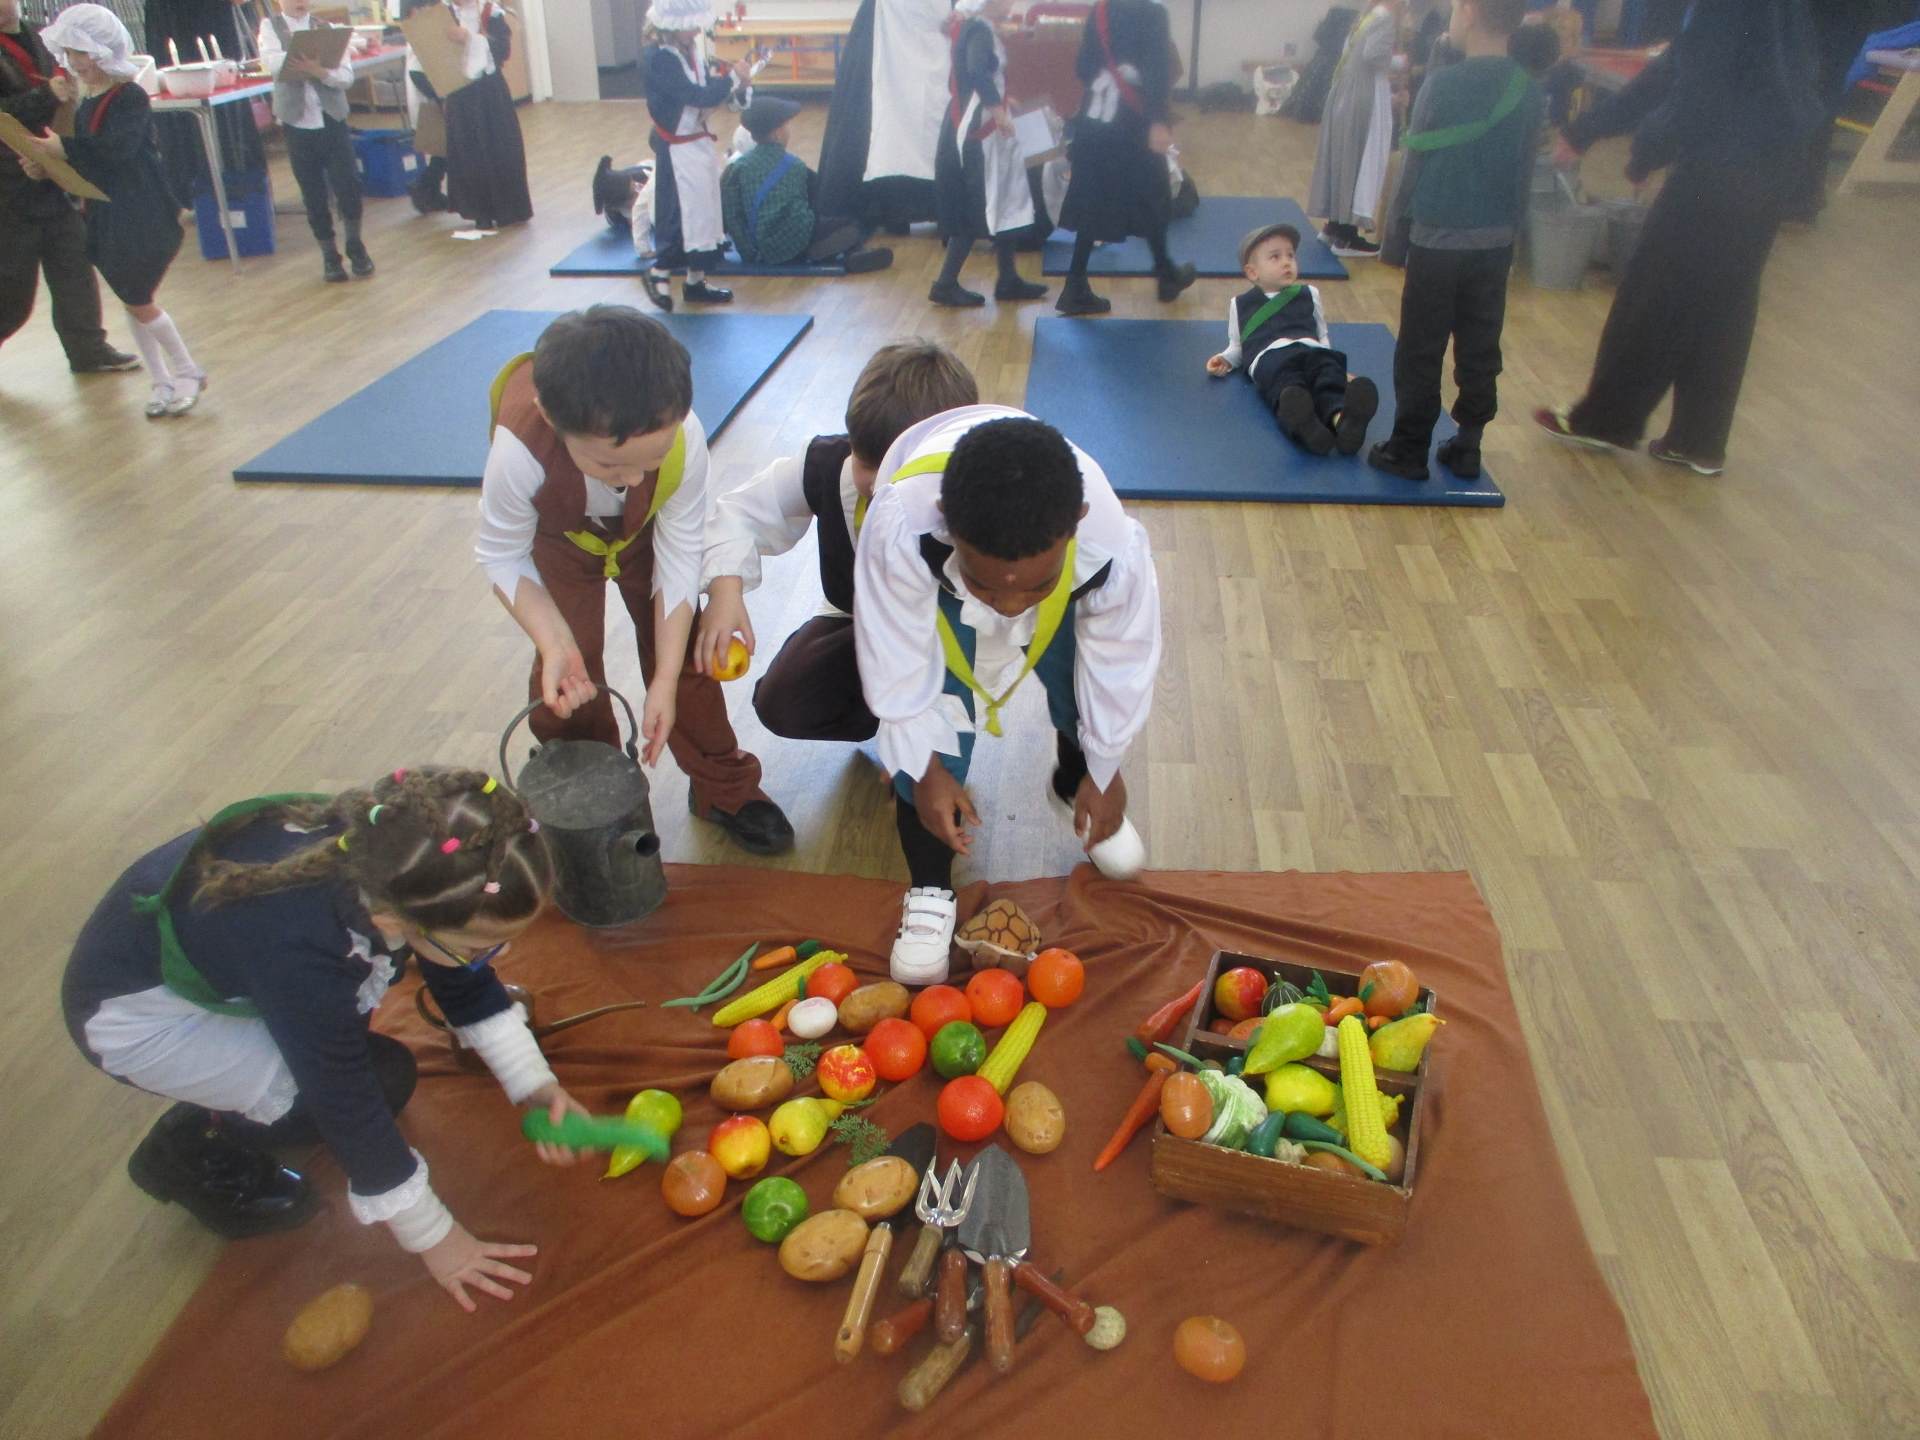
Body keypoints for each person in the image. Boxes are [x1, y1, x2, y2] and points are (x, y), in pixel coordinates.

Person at [62, 768, 594, 1310]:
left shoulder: (408, 857)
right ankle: (187, 1146)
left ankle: (246, 1081)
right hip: (142, 1019)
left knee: (372, 1037)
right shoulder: (301, 955)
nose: (499, 958)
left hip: (242, 959)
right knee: (378, 1082)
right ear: (391, 920)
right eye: (482, 948)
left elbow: (458, 970)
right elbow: (344, 1098)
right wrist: (439, 1241)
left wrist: (535, 1084)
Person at [854, 406, 1160, 981]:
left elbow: (1120, 663)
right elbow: (894, 661)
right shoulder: (904, 526)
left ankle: (1073, 782)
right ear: (948, 524)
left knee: (1078, 673)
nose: (1011, 607)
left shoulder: (1109, 544)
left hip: (1053, 572)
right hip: (934, 590)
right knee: (939, 708)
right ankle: (929, 887)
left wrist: (1105, 767)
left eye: (1034, 588)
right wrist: (925, 771)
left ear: (1077, 522)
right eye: (988, 586)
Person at [476, 305, 794, 855]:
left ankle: (722, 787)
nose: (631, 478)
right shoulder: (519, 451)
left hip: (649, 531)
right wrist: (555, 643)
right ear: (551, 418)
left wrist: (664, 680)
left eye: (652, 459)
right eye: (609, 466)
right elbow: (502, 553)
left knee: (688, 656)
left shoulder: (682, 436)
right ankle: (588, 790)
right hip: (560, 539)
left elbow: (679, 555)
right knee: (570, 673)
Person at [1534, 0, 1821, 477]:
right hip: (1776, 157)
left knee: (1656, 289)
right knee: (1724, 299)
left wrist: (1648, 150)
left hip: (1727, 163)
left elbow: (1697, 88)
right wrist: (1591, 128)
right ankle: (1697, 440)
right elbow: (1682, 64)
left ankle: (1604, 421)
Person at [696, 340, 979, 746]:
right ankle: (877, 713)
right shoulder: (824, 465)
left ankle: (920, 734)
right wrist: (725, 589)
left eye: (899, 470)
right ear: (853, 442)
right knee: (781, 702)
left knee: (935, 733)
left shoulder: (963, 492)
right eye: (867, 464)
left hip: (942, 630)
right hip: (860, 621)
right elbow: (741, 513)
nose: (879, 484)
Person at [1367, 0, 1541, 483]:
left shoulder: (1441, 84)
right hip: (1495, 242)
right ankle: (1468, 445)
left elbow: (1412, 164)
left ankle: (1408, 448)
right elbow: (1526, 173)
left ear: (1467, 10)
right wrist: (1514, 240)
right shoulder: (1528, 88)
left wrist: (1394, 239)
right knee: (1481, 342)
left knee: (1421, 347)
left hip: (1437, 240)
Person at [22, 5, 205, 418]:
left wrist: (62, 148)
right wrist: (48, 167)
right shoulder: (89, 103)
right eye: (69, 54)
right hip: (108, 213)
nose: (74, 63)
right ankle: (161, 379)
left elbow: (115, 152)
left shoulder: (129, 97)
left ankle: (187, 369)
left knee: (137, 297)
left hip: (141, 211)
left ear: (103, 50)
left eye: (80, 53)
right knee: (130, 297)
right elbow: (91, 163)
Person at [0, 0, 138, 374]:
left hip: (54, 167)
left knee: (73, 261)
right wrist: (45, 96)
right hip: (8, 181)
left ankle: (88, 349)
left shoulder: (43, 37)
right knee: (13, 286)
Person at [1054, 0, 1196, 315]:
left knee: (1093, 199)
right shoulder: (1153, 14)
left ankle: (1076, 283)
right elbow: (1158, 71)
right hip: (1133, 123)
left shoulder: (1101, 9)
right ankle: (1165, 274)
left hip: (1095, 120)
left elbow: (1083, 67)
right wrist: (1158, 120)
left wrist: (1109, 74)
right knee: (1154, 196)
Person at [1206, 222, 1379, 456]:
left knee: (1327, 378)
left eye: (1290, 255)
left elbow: (1322, 335)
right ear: (1252, 272)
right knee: (1287, 388)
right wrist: (1225, 360)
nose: (1287, 262)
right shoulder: (1240, 304)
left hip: (1312, 351)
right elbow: (1238, 347)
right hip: (1271, 357)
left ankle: (1343, 422)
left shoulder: (1309, 294)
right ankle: (1305, 427)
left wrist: (1336, 368)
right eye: (1275, 257)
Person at [930, 0, 1048, 308]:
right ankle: (945, 283)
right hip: (978, 130)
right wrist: (998, 110)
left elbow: (984, 76)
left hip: (984, 126)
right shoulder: (979, 30)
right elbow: (977, 72)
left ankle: (1008, 278)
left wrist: (1005, 103)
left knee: (1006, 197)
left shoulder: (978, 28)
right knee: (975, 203)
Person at [257, 0, 373, 284]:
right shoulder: (269, 26)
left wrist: (319, 71)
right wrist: (302, 59)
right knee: (312, 192)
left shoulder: (328, 29)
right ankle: (329, 255)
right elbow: (271, 62)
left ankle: (355, 245)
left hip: (332, 119)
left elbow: (345, 77)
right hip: (297, 123)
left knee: (348, 185)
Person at [643, 0, 744, 311]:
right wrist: (731, 80)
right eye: (691, 26)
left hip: (696, 141)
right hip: (677, 147)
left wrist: (732, 82)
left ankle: (695, 280)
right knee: (678, 214)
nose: (697, 31)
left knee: (703, 212)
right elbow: (694, 95)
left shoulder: (688, 51)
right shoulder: (660, 58)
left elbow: (704, 88)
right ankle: (659, 273)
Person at [817, 0, 948, 232]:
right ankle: (895, 209)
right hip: (887, 24)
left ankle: (922, 209)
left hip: (933, 25)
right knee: (885, 120)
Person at [720, 95, 892, 270]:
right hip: (797, 244)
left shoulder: (735, 169)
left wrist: (748, 252)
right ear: (777, 133)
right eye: (786, 126)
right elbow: (813, 207)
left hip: (757, 249)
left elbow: (733, 215)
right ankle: (848, 253)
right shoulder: (795, 165)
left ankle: (831, 251)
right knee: (851, 226)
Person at [1307, 0, 1403, 257]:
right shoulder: (1385, 18)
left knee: (1343, 160)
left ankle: (1334, 226)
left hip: (1347, 92)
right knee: (1359, 161)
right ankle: (1347, 237)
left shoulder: (1367, 16)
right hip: (1364, 95)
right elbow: (1374, 55)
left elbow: (1359, 53)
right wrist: (1400, 63)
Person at [442, 0, 531, 230]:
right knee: (468, 151)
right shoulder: (444, 14)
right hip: (459, 93)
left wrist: (469, 38)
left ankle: (507, 209)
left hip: (489, 92)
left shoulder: (491, 12)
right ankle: (479, 211)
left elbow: (502, 50)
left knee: (499, 146)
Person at [400, 0, 450, 213]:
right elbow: (417, 72)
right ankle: (424, 188)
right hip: (429, 97)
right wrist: (441, 98)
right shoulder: (418, 32)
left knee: (443, 149)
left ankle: (428, 190)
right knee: (444, 148)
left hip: (433, 93)